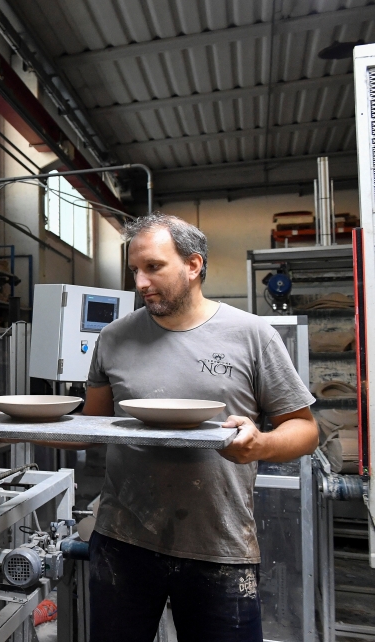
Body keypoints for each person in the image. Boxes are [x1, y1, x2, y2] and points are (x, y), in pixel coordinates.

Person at [78, 214, 317, 642]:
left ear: (194, 265)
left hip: (219, 546)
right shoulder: (113, 338)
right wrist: (30, 424)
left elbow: (304, 429)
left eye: (153, 267)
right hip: (122, 540)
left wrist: (260, 444)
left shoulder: (252, 335)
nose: (140, 283)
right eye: (135, 270)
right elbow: (92, 426)